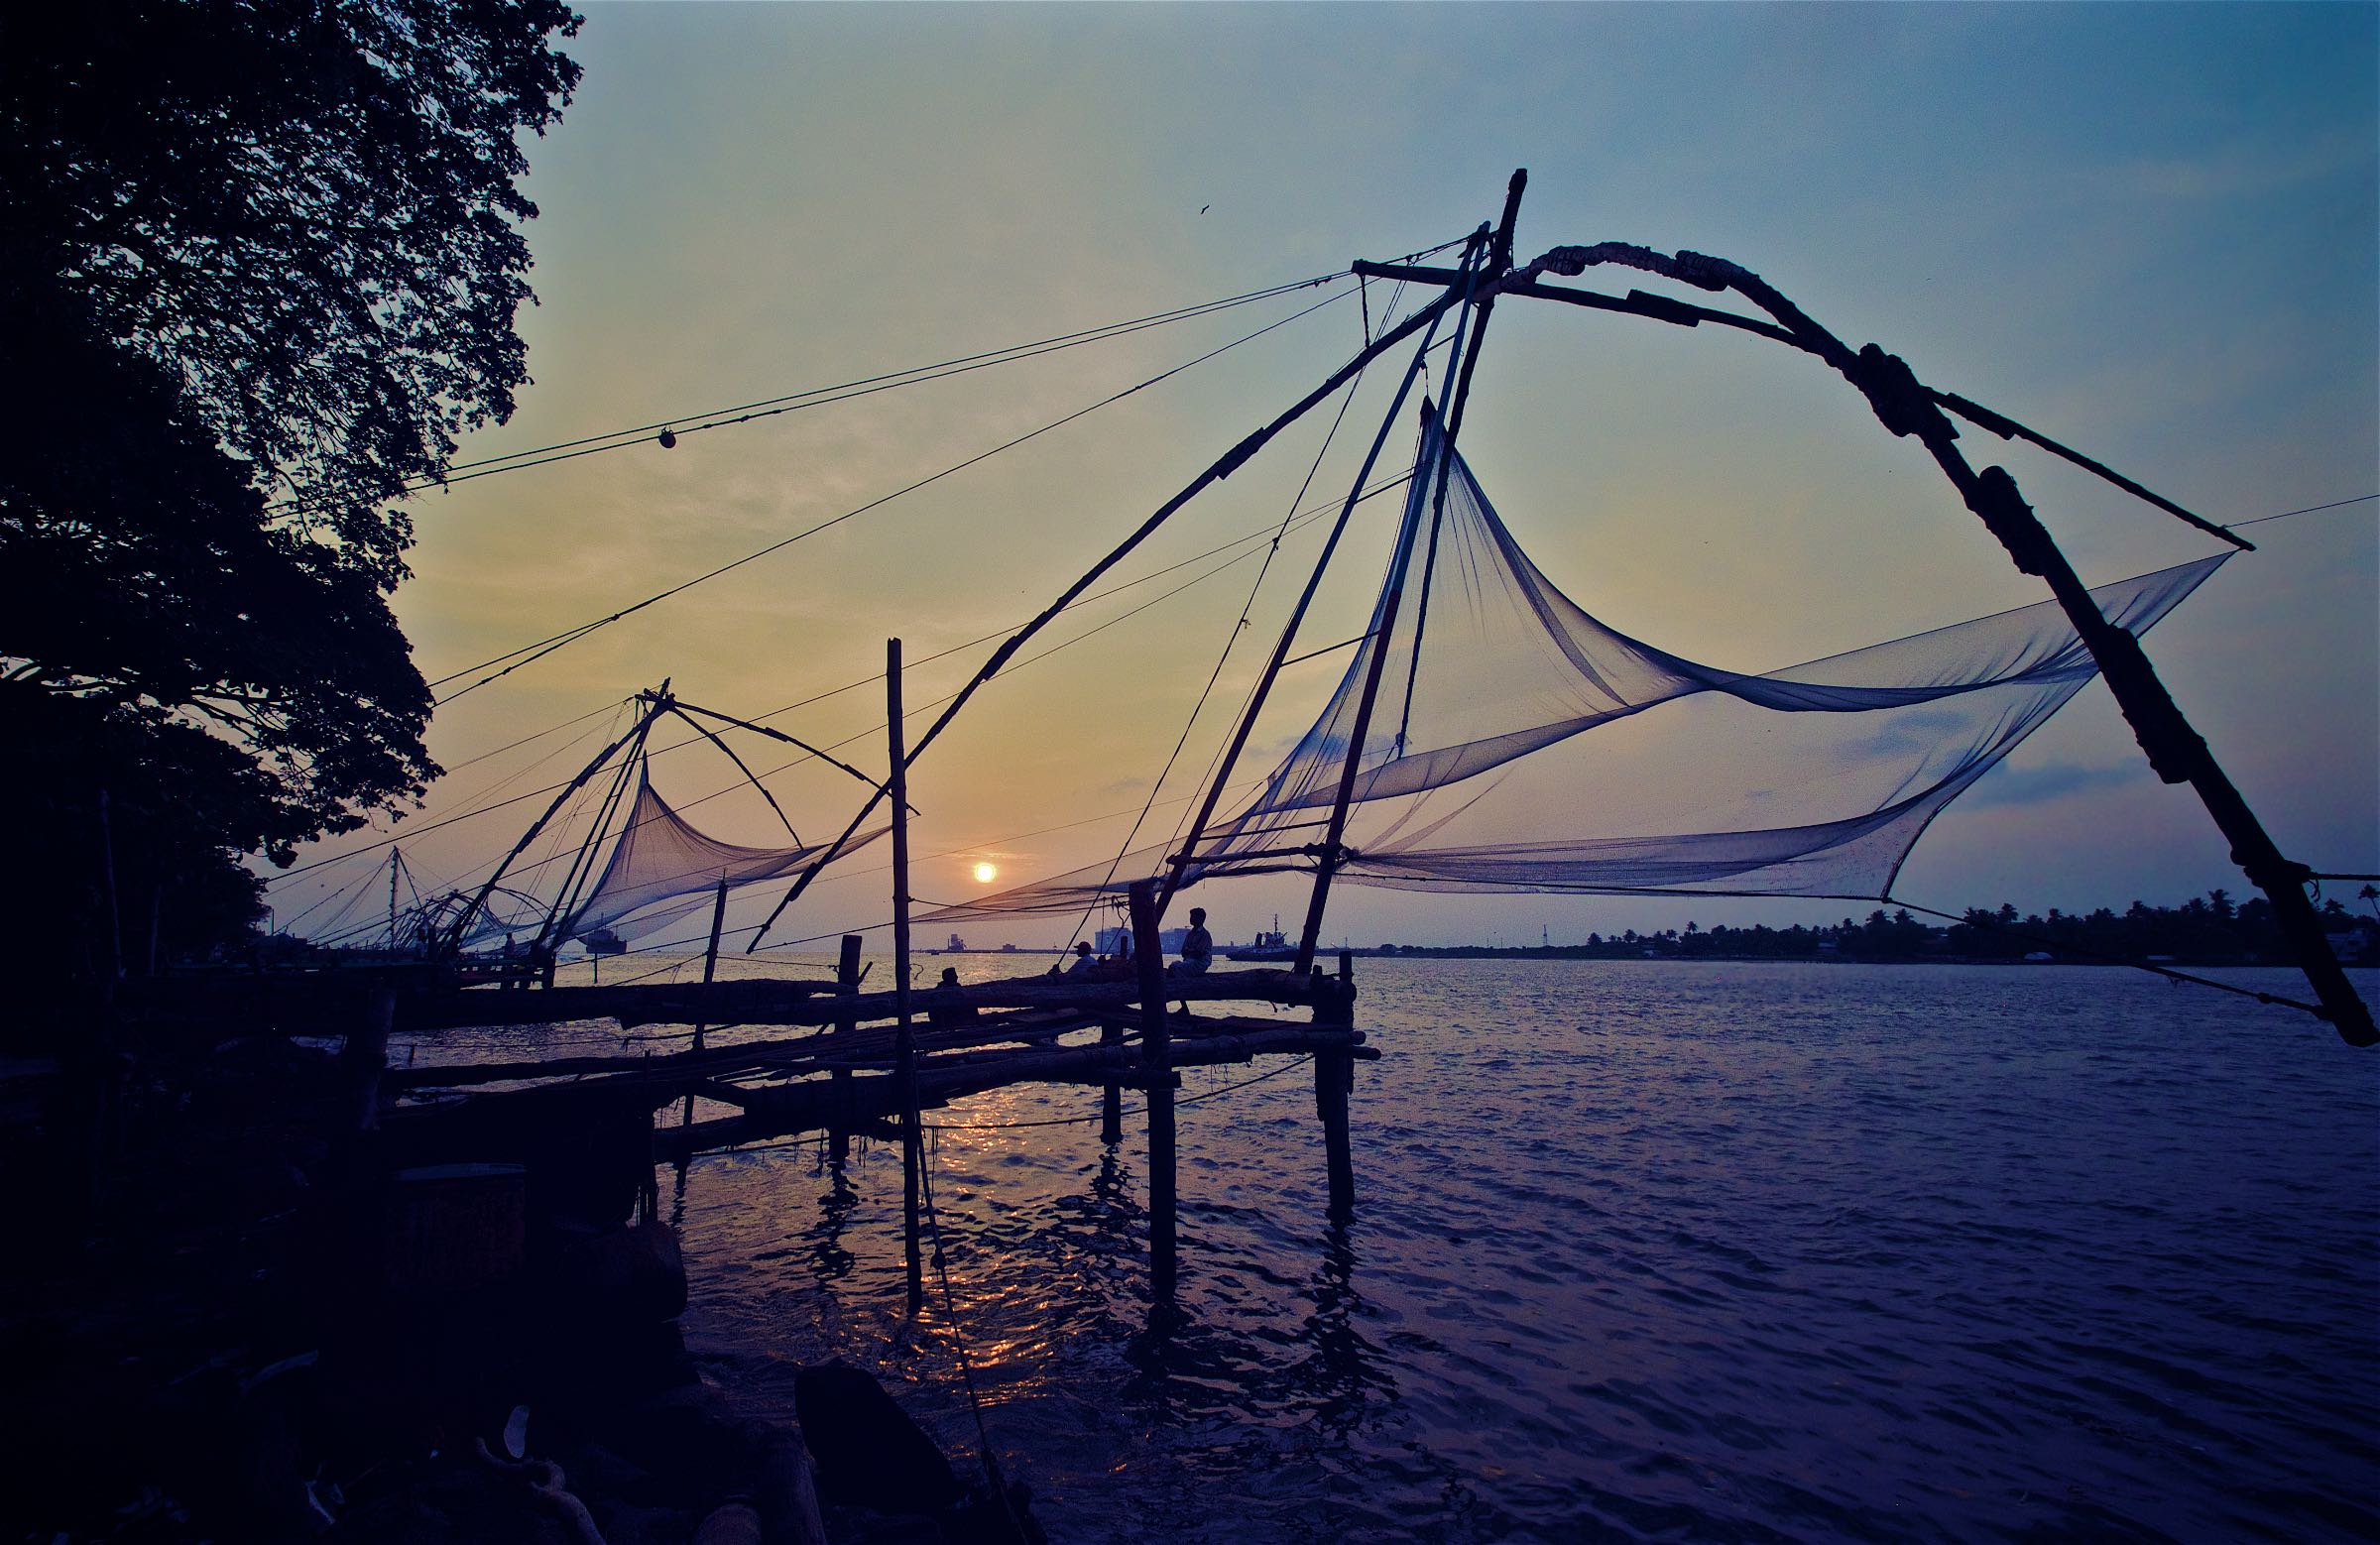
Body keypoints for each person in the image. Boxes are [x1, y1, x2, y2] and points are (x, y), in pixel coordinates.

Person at [1175, 907, 1213, 977]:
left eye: (1193, 916)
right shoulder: (1190, 934)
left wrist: (1189, 951)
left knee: (1178, 968)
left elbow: (1198, 953)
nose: (1191, 918)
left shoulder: (1205, 934)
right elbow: (1183, 952)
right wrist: (1191, 951)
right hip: (1188, 961)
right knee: (1174, 965)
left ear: (1200, 919)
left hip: (1199, 963)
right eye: (1191, 916)